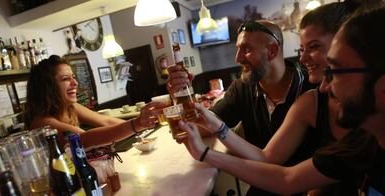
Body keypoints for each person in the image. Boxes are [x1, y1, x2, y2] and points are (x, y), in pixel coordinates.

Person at [179, 7, 385, 195]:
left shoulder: (313, 92)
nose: (324, 87)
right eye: (302, 49)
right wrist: (208, 140)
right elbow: (283, 174)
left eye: (335, 71)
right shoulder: (361, 143)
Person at [168, 19, 316, 196]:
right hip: (262, 184)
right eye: (238, 49)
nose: (237, 58)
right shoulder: (242, 88)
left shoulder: (311, 87)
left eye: (246, 49)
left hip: (306, 186)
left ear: (272, 50)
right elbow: (202, 127)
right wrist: (181, 96)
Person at [24, 55, 165, 147]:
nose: (75, 83)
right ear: (47, 87)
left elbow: (106, 121)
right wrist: (136, 124)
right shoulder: (42, 123)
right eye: (65, 79)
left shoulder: (70, 106)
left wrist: (144, 126)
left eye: (73, 77)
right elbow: (84, 139)